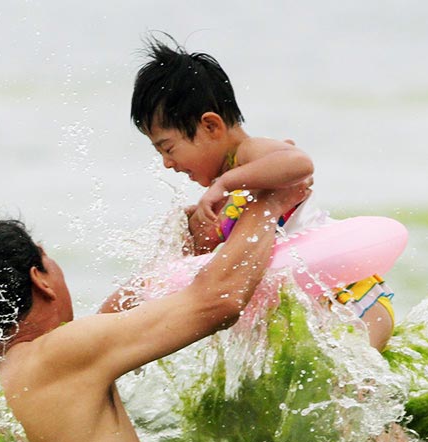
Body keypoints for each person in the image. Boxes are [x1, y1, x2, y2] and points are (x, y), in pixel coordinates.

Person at [0, 185, 307, 442]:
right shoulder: (59, 355)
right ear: (39, 278)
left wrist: (189, 252)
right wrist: (267, 204)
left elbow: (120, 314)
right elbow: (219, 302)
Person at [130, 34, 396, 351]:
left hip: (351, 296)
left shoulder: (250, 153)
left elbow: (299, 162)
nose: (167, 163)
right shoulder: (233, 192)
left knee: (354, 388)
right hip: (313, 308)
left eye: (168, 147)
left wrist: (224, 184)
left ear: (211, 126)